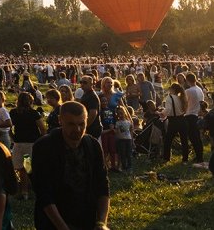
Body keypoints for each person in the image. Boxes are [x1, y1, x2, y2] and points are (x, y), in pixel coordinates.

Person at [31, 101, 110, 230]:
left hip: (87, 220)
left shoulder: (92, 145)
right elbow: (44, 193)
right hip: (52, 223)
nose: (77, 129)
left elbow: (102, 185)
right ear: (60, 120)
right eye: (71, 124)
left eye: (81, 124)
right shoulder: (44, 147)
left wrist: (101, 222)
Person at [10, 91, 45, 199]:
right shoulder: (34, 113)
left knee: (22, 168)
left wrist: (12, 137)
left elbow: (8, 127)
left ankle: (24, 190)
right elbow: (43, 129)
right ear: (30, 101)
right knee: (28, 168)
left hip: (19, 143)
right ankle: (29, 189)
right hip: (31, 143)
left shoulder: (13, 112)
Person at [162, 82, 188, 163]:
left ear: (172, 89)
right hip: (182, 119)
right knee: (184, 140)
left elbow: (168, 110)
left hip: (173, 121)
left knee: (168, 140)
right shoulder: (181, 98)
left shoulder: (170, 97)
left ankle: (166, 157)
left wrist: (161, 113)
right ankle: (185, 158)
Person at [183, 72, 205, 165]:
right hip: (197, 114)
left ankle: (198, 156)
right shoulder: (199, 89)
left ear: (187, 81)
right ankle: (199, 155)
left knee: (193, 137)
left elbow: (184, 102)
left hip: (190, 114)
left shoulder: (188, 91)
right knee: (197, 137)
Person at [114, 106, 134, 173]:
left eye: (121, 113)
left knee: (129, 154)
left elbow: (131, 130)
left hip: (128, 140)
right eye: (119, 114)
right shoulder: (118, 123)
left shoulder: (128, 122)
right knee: (122, 154)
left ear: (124, 113)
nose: (120, 115)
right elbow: (118, 132)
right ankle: (124, 167)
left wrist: (131, 139)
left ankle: (129, 167)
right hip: (121, 140)